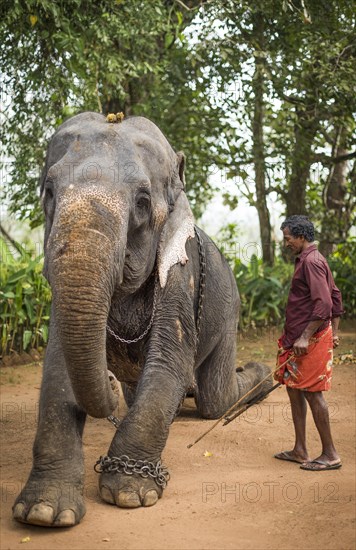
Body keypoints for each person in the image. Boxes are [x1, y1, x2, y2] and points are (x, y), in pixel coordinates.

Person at [274, 215, 343, 471]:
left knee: (313, 394)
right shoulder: (309, 259)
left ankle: (330, 454)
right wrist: (335, 332)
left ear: (301, 237)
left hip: (308, 338)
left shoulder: (312, 262)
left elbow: (324, 303)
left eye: (288, 238)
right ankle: (300, 449)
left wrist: (305, 337)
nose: (286, 243)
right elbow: (335, 294)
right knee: (294, 389)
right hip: (298, 337)